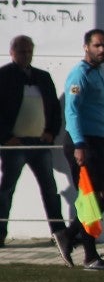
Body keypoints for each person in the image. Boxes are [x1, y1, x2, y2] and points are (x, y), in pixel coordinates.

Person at [57, 28, 104, 270]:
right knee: (89, 199)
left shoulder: (99, 74)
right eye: (97, 45)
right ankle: (91, 257)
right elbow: (72, 113)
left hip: (98, 140)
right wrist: (80, 145)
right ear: (86, 47)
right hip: (82, 143)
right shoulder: (79, 75)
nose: (102, 50)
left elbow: (97, 111)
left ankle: (69, 233)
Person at [0, 35, 68, 249]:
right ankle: (0, 233)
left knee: (49, 188)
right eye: (21, 51)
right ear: (12, 52)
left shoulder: (43, 77)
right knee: (7, 190)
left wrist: (51, 132)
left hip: (39, 144)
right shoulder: (4, 76)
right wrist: (5, 137)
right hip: (15, 145)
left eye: (29, 51)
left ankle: (59, 233)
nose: (26, 55)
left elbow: (55, 109)